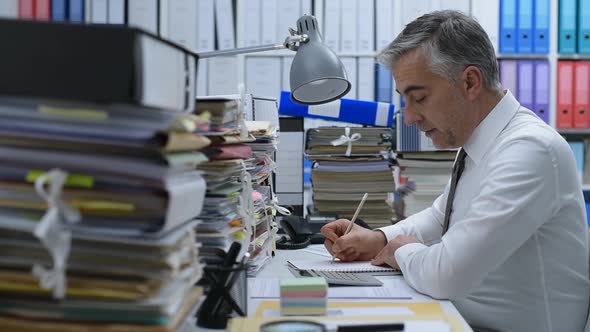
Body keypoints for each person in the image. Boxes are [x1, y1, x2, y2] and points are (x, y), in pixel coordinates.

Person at [321, 10, 590, 332]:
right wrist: (378, 238)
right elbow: (440, 217)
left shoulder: (530, 150)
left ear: (470, 82)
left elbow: (445, 275)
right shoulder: (485, 140)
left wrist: (402, 250)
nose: (409, 118)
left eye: (419, 98)